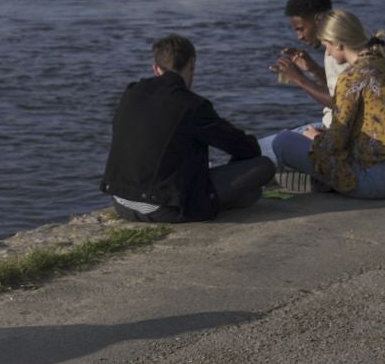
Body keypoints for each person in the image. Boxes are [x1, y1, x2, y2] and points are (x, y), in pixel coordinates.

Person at [101, 33, 274, 222]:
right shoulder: (191, 105)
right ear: (192, 64)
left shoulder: (131, 93)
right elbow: (244, 147)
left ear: (156, 69)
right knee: (263, 167)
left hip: (122, 203)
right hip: (163, 208)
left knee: (246, 192)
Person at [270, 10, 385, 199]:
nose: (327, 51)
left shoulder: (351, 77)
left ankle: (317, 182)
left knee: (283, 141)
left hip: (381, 182)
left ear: (338, 43)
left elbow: (332, 146)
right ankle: (320, 181)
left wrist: (315, 139)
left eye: (327, 44)